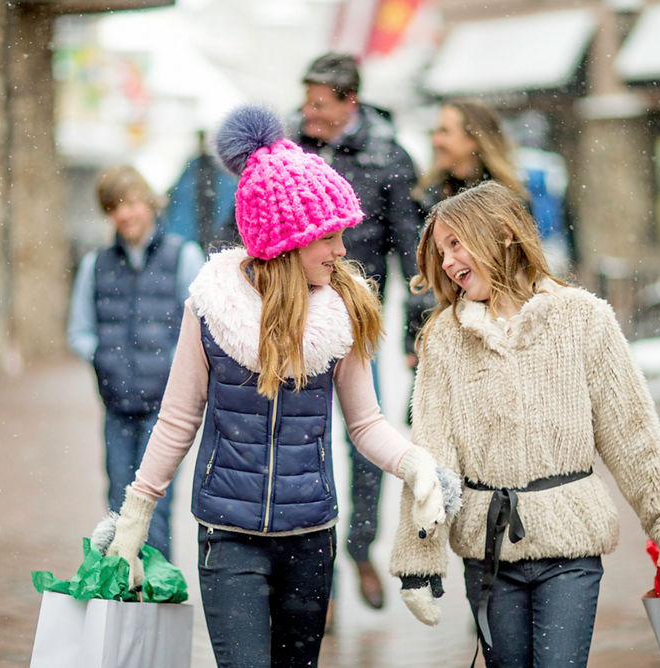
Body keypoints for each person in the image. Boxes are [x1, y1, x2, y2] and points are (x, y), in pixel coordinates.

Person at [102, 105, 446, 668]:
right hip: (228, 534)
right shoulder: (212, 309)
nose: (342, 251)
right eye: (329, 239)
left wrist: (414, 465)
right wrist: (136, 512)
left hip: (311, 538)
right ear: (287, 242)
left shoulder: (343, 313)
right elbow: (179, 417)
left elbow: (364, 423)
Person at [389, 181, 660, 667]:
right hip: (489, 551)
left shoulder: (584, 319)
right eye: (441, 251)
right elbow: (431, 459)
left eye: (457, 244)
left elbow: (633, 434)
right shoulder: (443, 338)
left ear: (500, 234)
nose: (449, 262)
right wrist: (419, 561)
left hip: (571, 546)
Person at [292, 51, 426, 613]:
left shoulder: (389, 158)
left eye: (319, 104)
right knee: (301, 437)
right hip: (294, 319)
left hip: (357, 322)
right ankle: (309, 567)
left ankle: (359, 548)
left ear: (350, 102)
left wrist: (414, 334)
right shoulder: (289, 152)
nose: (308, 113)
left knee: (364, 437)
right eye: (306, 101)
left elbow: (412, 252)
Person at [67, 165, 203, 562]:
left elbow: (199, 328)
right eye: (113, 207)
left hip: (166, 411)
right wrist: (103, 359)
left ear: (149, 201)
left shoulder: (184, 256)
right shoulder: (96, 265)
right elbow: (79, 331)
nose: (124, 214)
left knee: (154, 506)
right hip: (116, 405)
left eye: (129, 203)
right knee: (117, 501)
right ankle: (125, 592)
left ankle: (157, 594)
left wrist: (175, 372)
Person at [414, 98, 574, 276]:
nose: (435, 140)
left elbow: (522, 268)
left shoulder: (507, 199)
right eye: (435, 132)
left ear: (473, 139)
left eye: (445, 132)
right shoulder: (427, 196)